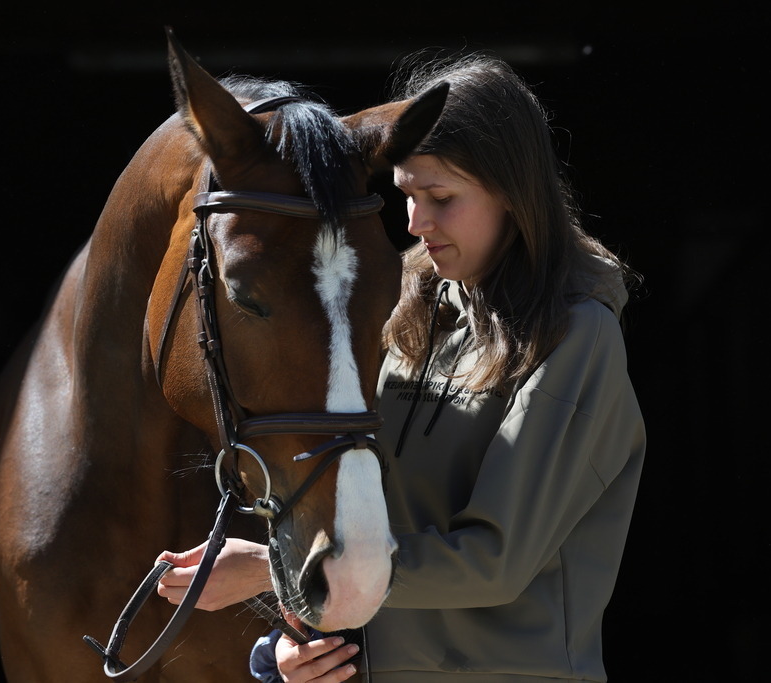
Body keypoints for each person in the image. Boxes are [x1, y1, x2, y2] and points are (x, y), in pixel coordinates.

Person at [156, 52, 646, 683]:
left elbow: (495, 562)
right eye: (407, 194)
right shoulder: (402, 309)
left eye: (441, 197)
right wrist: (291, 648)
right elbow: (358, 519)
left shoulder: (579, 336)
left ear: (514, 194)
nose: (416, 223)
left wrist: (268, 570)